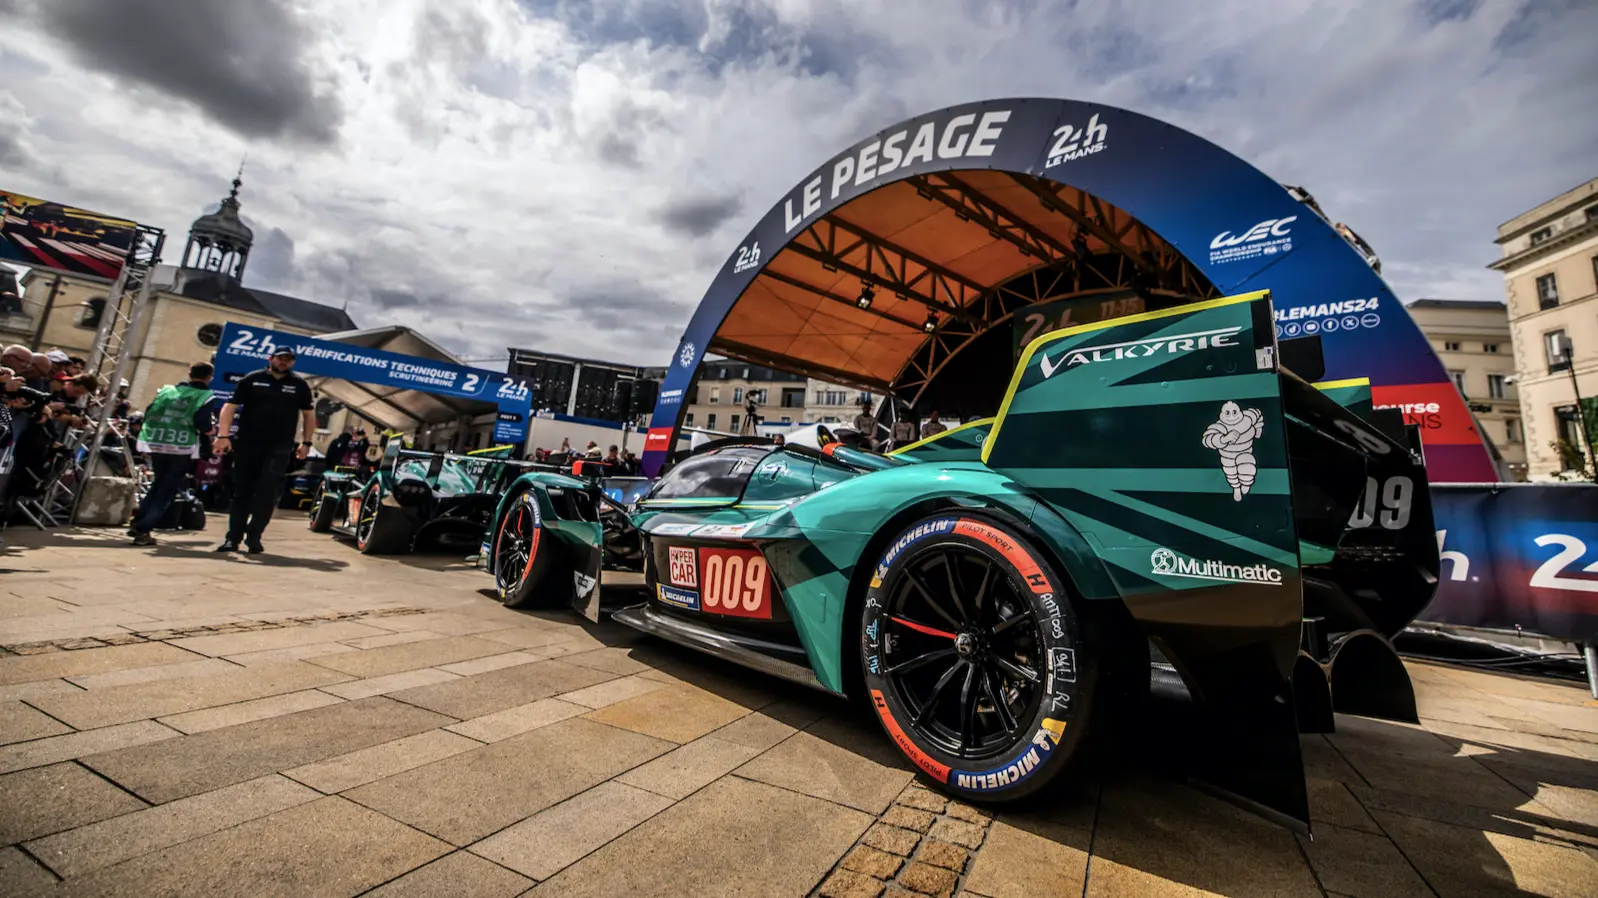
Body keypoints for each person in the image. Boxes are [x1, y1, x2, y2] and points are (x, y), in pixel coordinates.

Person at [211, 347, 314, 553]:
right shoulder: (252, 379)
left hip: (280, 447)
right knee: (242, 492)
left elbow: (309, 415)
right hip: (248, 443)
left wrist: (306, 443)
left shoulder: (299, 385)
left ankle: (254, 536)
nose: (284, 362)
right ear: (271, 359)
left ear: (293, 362)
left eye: (288, 360)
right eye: (280, 358)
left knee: (268, 492)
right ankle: (233, 538)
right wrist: (223, 436)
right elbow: (230, 407)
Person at [128, 363, 215, 546]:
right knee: (167, 489)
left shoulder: (167, 391)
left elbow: (151, 411)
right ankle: (144, 528)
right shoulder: (205, 396)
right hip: (183, 446)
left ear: (190, 374)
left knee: (157, 484)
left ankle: (138, 522)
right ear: (209, 376)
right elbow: (202, 423)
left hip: (159, 442)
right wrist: (210, 431)